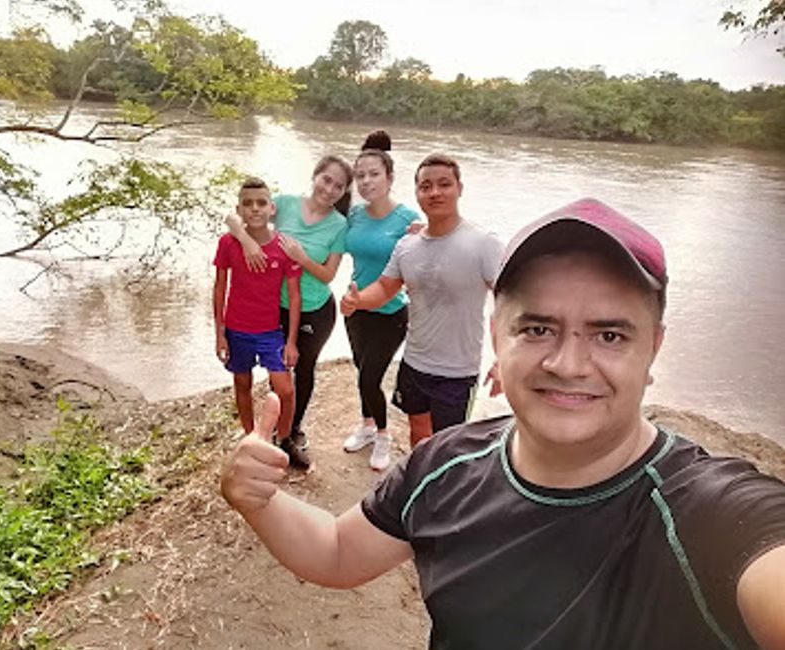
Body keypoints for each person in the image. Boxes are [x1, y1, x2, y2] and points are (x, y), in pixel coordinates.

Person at [220, 197, 785, 649]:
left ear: (653, 349)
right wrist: (259, 500)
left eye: (609, 335)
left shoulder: (711, 514)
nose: (567, 364)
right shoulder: (443, 466)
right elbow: (339, 551)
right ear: (496, 338)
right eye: (537, 329)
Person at [340, 153, 504, 447]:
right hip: (414, 361)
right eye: (426, 186)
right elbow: (385, 287)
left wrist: (503, 358)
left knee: (448, 444)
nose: (435, 192)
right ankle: (419, 485)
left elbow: (509, 302)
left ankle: (444, 492)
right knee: (417, 432)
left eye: (444, 184)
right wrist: (358, 300)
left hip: (457, 369)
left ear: (459, 188)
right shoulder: (408, 245)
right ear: (417, 192)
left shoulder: (483, 243)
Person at [226, 156, 352, 469]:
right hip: (273, 304)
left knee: (303, 369)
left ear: (344, 191)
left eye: (338, 185)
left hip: (314, 309)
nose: (330, 189)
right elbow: (234, 217)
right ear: (315, 176)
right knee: (277, 371)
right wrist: (246, 242)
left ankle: (291, 432)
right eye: (326, 179)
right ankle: (269, 429)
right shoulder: (283, 203)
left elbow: (327, 275)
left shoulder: (339, 224)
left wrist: (300, 256)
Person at [341, 131, 419, 471]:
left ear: (389, 178)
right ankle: (367, 426)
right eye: (360, 176)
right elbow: (317, 220)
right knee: (361, 369)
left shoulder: (408, 220)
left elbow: (427, 260)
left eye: (374, 174)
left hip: (390, 312)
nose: (366, 181)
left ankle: (384, 435)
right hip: (355, 309)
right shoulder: (354, 216)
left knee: (369, 378)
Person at [213, 177, 302, 442]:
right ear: (239, 209)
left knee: (285, 390)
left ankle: (282, 441)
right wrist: (219, 334)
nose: (254, 209)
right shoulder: (228, 243)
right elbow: (219, 289)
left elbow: (295, 297)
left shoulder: (284, 247)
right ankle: (250, 437)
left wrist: (291, 342)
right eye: (247, 204)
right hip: (236, 329)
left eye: (261, 203)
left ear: (272, 209)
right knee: (242, 384)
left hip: (270, 331)